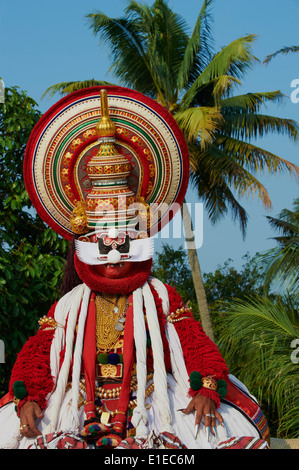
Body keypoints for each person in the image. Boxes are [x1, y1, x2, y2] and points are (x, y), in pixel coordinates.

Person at [0, 87, 270, 449]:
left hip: (153, 400)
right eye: (103, 244)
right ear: (85, 243)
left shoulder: (159, 296)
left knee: (211, 431)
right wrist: (29, 395)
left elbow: (193, 342)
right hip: (80, 404)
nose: (114, 255)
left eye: (123, 242)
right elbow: (38, 352)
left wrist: (207, 384)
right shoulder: (68, 306)